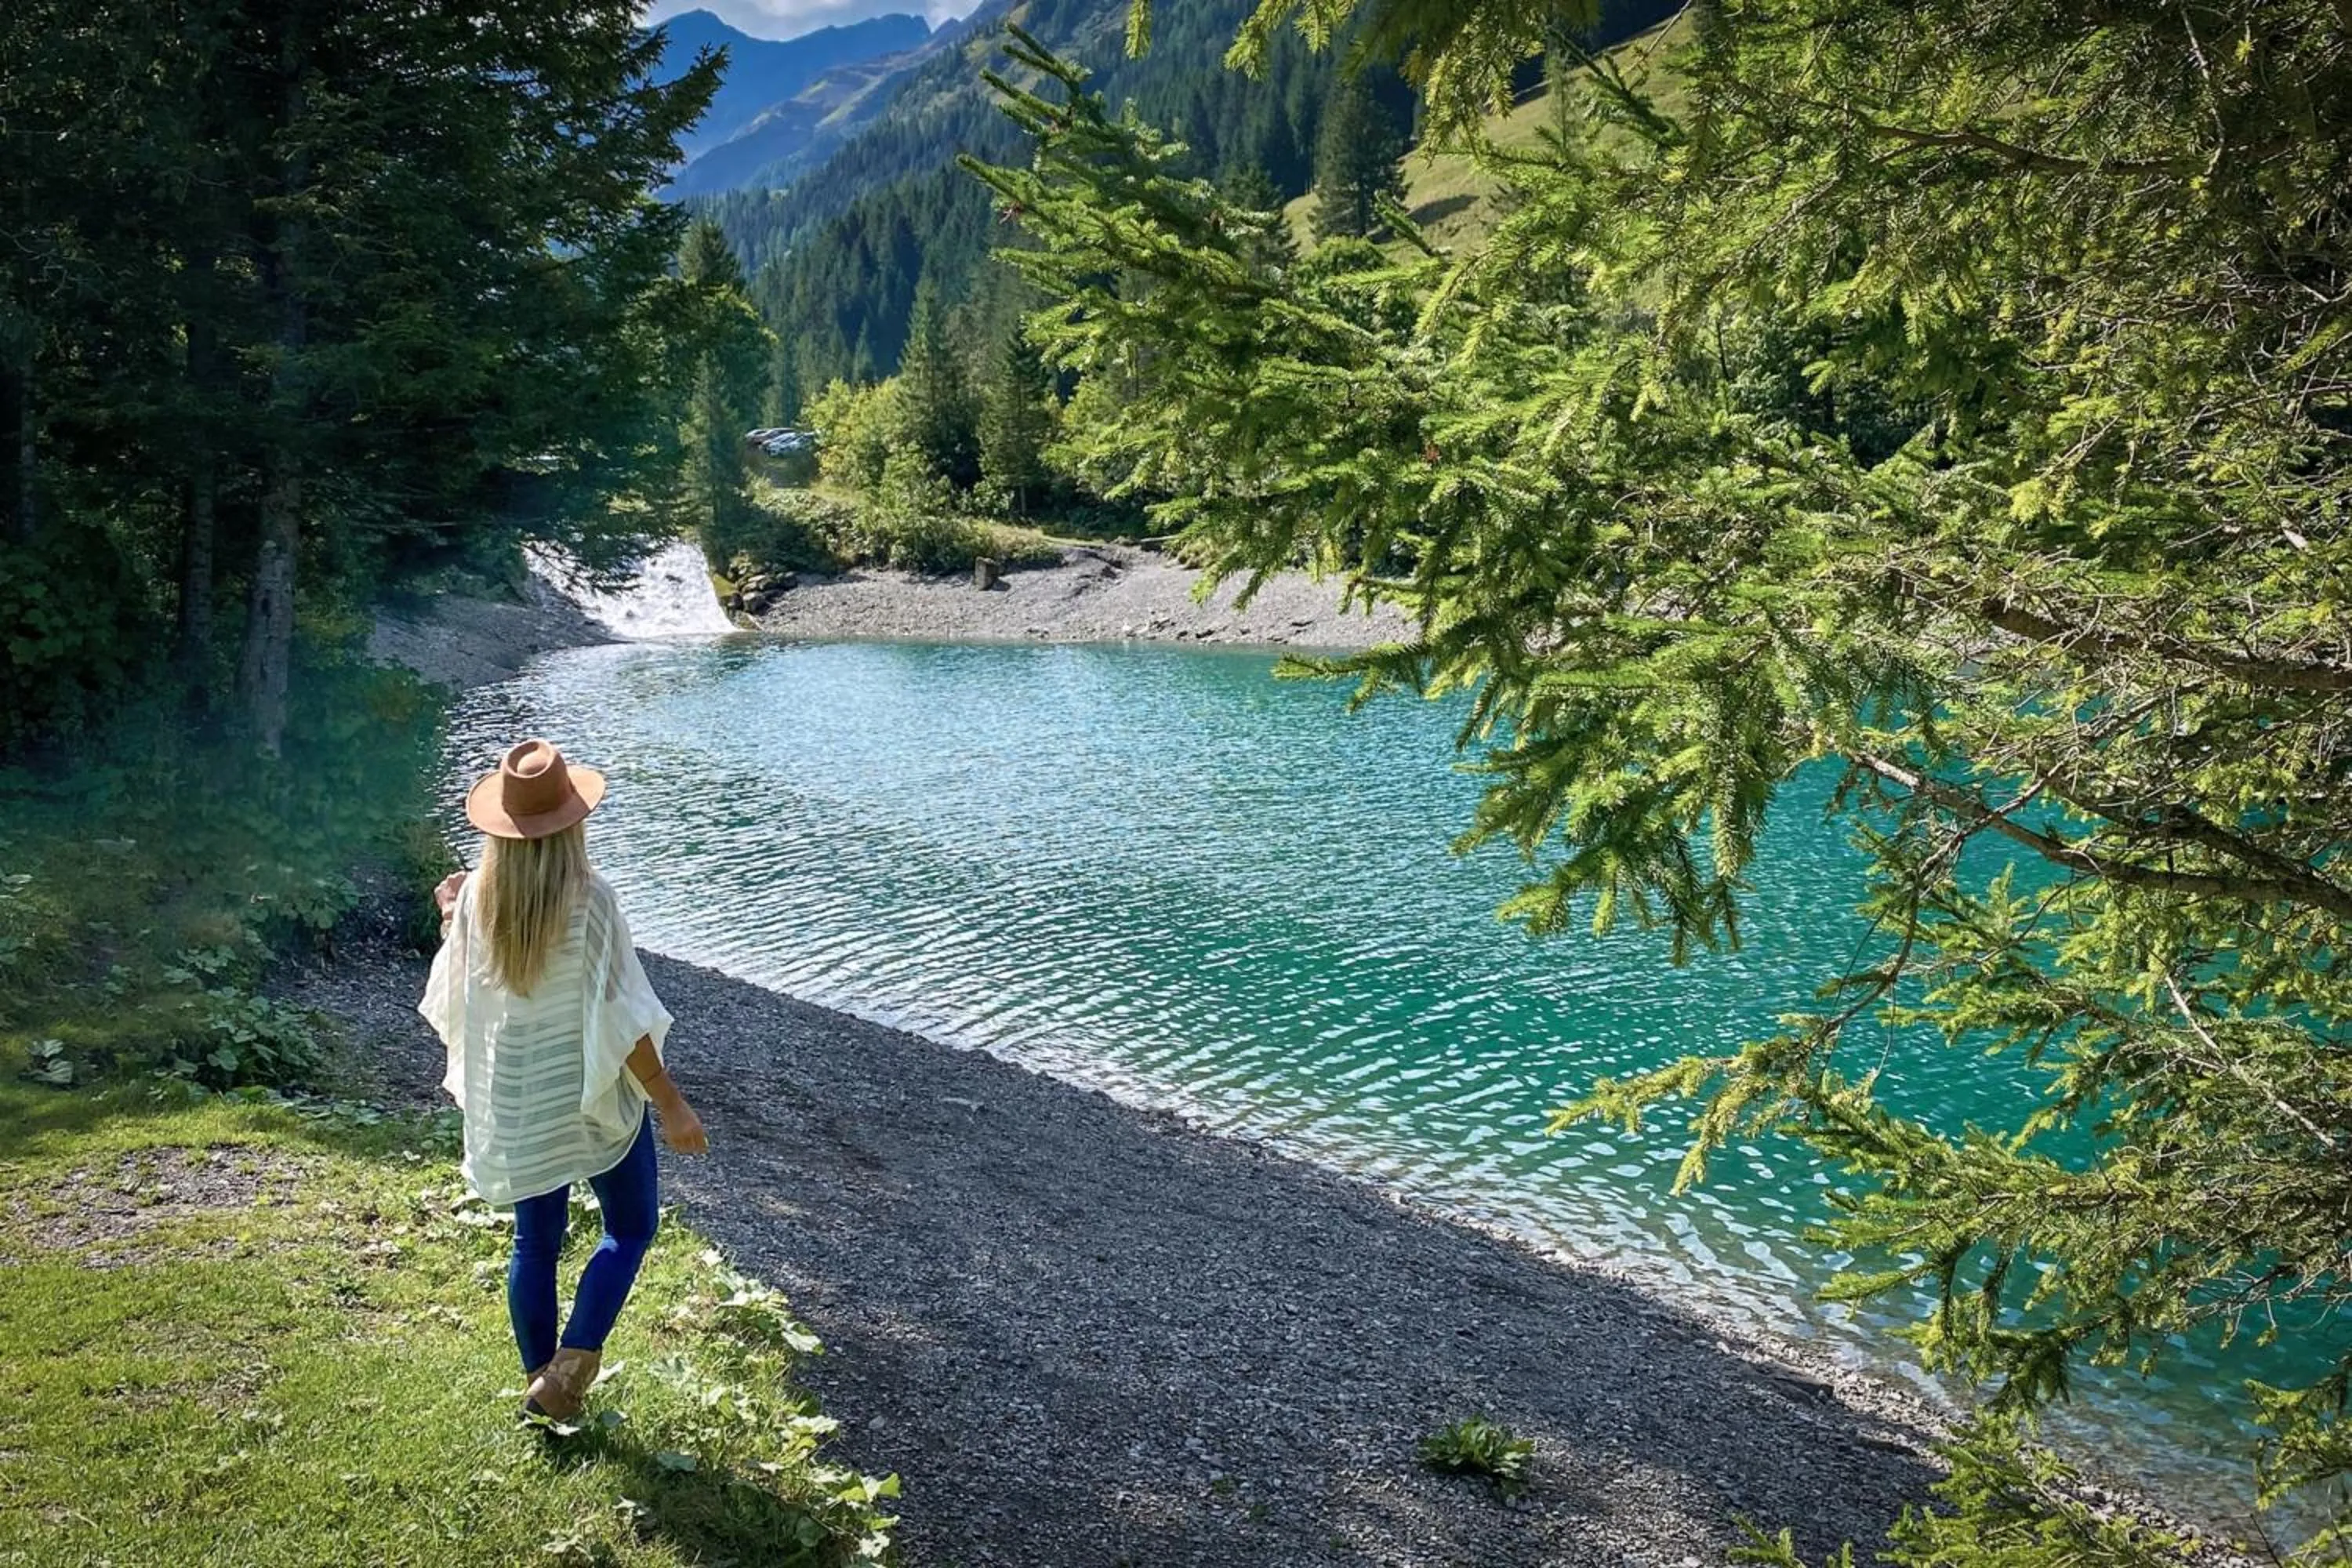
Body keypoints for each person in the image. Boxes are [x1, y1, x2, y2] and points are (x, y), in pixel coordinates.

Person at [420, 738, 708, 1421]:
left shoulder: (478, 895)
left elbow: (462, 988)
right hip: (587, 1093)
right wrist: (672, 1105)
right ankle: (564, 1377)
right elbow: (623, 1022)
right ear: (573, 823)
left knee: (536, 1240)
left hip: (518, 1093)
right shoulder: (591, 901)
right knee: (631, 1227)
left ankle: (542, 1383)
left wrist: (450, 912)